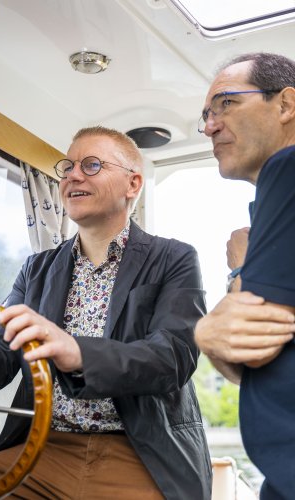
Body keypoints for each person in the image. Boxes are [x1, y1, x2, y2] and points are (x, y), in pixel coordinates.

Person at [0, 126, 212, 499]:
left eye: (91, 165)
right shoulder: (35, 269)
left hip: (139, 452)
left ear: (132, 183)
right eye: (68, 167)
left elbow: (174, 357)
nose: (73, 175)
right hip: (44, 448)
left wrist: (77, 353)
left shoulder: (175, 258)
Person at [194, 53, 295, 499]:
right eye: (206, 115)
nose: (210, 126)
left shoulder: (287, 168)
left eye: (226, 103)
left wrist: (239, 268)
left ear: (286, 104)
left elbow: (250, 349)